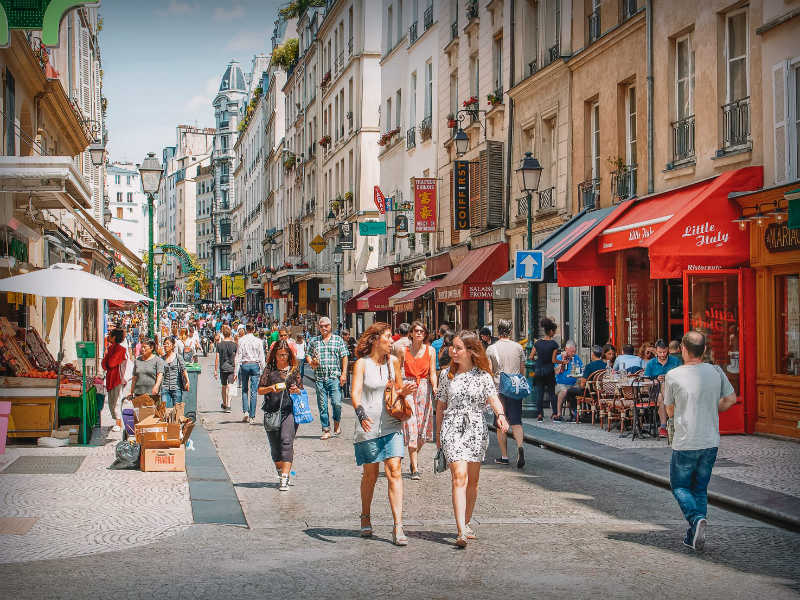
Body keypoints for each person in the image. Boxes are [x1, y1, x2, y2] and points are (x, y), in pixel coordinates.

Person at [663, 331, 737, 551]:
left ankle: (695, 519)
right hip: (710, 440)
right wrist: (712, 409)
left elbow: (669, 410)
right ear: (704, 350)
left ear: (683, 350)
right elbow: (731, 399)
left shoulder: (673, 375)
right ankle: (694, 535)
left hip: (686, 441)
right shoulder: (716, 371)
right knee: (700, 489)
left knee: (679, 485)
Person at [436, 331, 509, 547]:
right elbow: (440, 407)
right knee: (459, 476)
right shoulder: (446, 375)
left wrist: (501, 416)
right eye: (453, 347)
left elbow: (493, 399)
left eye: (458, 348)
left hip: (476, 428)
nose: (453, 351)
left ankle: (466, 522)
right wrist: (438, 437)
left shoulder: (483, 376)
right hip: (452, 427)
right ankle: (460, 530)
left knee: (473, 481)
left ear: (470, 351)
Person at [351, 322, 417, 546]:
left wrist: (404, 391)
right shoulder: (361, 364)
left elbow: (398, 389)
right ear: (375, 339)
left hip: (391, 424)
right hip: (368, 425)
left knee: (395, 471)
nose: (391, 340)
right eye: (388, 337)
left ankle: (398, 525)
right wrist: (361, 414)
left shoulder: (394, 362)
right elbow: (355, 393)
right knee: (370, 475)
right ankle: (365, 515)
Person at [257, 340, 303, 491]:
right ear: (274, 356)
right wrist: (271, 388)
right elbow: (260, 390)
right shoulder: (269, 369)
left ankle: (284, 477)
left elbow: (300, 390)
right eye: (280, 355)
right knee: (275, 448)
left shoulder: (294, 370)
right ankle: (280, 470)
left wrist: (296, 390)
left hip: (289, 410)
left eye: (285, 355)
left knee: (286, 441)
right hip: (271, 411)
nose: (283, 358)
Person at [398, 321, 437, 479]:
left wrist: (435, 387)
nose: (419, 333)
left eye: (422, 331)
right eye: (416, 331)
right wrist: (400, 388)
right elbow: (397, 370)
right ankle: (415, 467)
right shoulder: (403, 350)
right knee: (411, 426)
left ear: (425, 334)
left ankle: (413, 456)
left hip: (424, 389)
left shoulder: (431, 350)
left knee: (422, 431)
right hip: (409, 387)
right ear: (411, 334)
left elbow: (433, 372)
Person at [486, 319, 526, 467]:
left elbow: (489, 371)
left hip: (499, 389)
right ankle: (520, 447)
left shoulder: (491, 349)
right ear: (510, 330)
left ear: (498, 330)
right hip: (515, 388)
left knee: (500, 423)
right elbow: (523, 370)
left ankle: (504, 456)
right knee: (516, 421)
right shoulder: (518, 347)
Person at [307, 316, 349, 439]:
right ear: (318, 327)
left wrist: (344, 374)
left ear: (330, 326)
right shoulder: (314, 341)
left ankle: (337, 423)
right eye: (321, 326)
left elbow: (344, 356)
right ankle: (326, 429)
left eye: (326, 326)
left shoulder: (338, 340)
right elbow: (308, 354)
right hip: (320, 378)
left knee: (337, 403)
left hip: (334, 377)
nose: (324, 328)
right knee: (322, 405)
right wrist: (311, 362)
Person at [645, 339, 682, 438]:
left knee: (662, 397)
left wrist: (670, 377)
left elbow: (683, 376)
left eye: (664, 352)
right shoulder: (651, 363)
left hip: (674, 391)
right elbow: (646, 381)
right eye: (660, 352)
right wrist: (656, 379)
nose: (662, 354)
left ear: (668, 350)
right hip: (655, 391)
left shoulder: (675, 361)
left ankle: (663, 427)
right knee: (662, 388)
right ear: (656, 351)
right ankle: (669, 422)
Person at [233, 322, 266, 425]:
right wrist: (263, 370)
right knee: (254, 391)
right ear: (254, 330)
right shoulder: (258, 341)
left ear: (246, 330)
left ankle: (246, 411)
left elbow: (238, 356)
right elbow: (262, 357)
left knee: (244, 390)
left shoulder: (241, 340)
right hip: (255, 365)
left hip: (245, 365)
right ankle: (252, 416)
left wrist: (235, 371)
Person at [530, 317, 560, 422]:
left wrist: (538, 360)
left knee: (540, 393)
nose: (554, 333)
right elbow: (553, 360)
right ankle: (555, 414)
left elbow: (531, 357)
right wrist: (563, 362)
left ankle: (539, 415)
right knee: (552, 393)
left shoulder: (537, 343)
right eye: (554, 331)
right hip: (549, 371)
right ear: (551, 331)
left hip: (538, 370)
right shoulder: (554, 344)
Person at [101, 329, 127, 432]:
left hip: (117, 378)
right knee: (112, 401)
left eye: (110, 335)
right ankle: (117, 422)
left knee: (116, 401)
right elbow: (104, 364)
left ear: (114, 337)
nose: (108, 336)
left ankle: (119, 423)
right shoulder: (111, 348)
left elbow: (110, 363)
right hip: (111, 378)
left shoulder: (120, 349)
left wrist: (107, 362)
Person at [553, 340, 584, 422]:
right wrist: (563, 361)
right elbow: (556, 372)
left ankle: (575, 414)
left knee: (579, 390)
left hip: (573, 384)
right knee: (564, 390)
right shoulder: (559, 358)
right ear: (566, 349)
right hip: (560, 384)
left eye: (574, 351)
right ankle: (558, 414)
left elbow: (581, 370)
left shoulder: (576, 358)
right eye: (572, 351)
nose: (573, 353)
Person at [161, 337, 189, 408]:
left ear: (173, 345)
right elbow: (160, 373)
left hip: (176, 388)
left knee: (177, 411)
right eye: (164, 344)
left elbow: (184, 369)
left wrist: (187, 381)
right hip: (165, 388)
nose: (165, 346)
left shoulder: (178, 357)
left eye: (168, 344)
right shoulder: (161, 359)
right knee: (164, 410)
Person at [214, 325, 237, 411]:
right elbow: (236, 358)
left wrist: (215, 370)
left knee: (224, 386)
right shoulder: (234, 345)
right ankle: (228, 404)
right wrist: (237, 370)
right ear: (230, 334)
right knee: (230, 386)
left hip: (223, 368)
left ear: (223, 334)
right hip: (232, 368)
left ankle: (224, 403)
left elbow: (217, 358)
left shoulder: (219, 345)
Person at [341, 328, 357, 401]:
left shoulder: (349, 342)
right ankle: (346, 393)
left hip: (348, 362)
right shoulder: (342, 343)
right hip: (343, 363)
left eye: (349, 335)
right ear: (343, 336)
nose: (348, 336)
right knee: (346, 377)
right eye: (347, 335)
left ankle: (346, 392)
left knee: (347, 378)